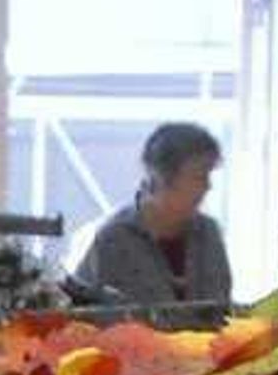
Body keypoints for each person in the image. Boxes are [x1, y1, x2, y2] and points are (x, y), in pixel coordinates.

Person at [76, 121, 234, 306]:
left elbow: (223, 310)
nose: (208, 186)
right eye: (199, 177)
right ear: (162, 177)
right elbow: (81, 316)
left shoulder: (209, 234)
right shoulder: (114, 240)